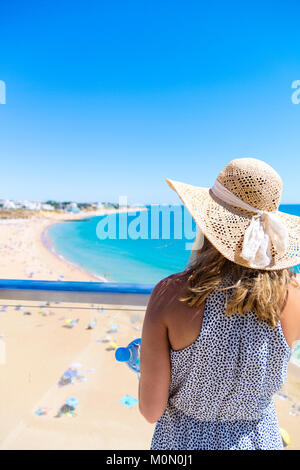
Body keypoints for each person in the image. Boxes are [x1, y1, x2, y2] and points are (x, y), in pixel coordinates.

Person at [138, 158, 300, 450]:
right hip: (261, 441)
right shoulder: (294, 294)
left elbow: (151, 411)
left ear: (209, 221)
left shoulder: (170, 295)